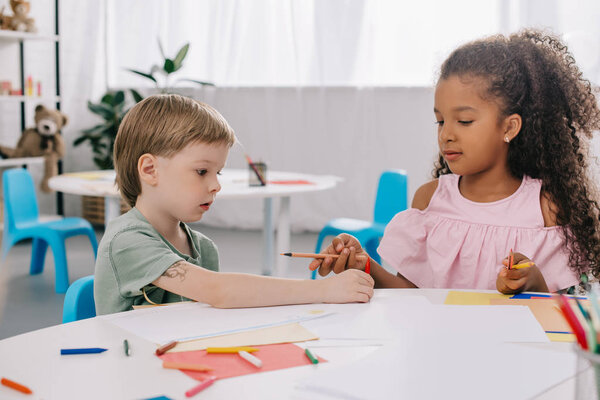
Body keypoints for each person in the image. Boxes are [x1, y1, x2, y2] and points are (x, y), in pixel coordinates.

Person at [310, 29, 600, 294]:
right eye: (440, 121)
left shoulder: (544, 208)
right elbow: (410, 296)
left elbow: (568, 313)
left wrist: (534, 282)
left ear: (509, 127)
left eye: (464, 121)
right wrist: (364, 265)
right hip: (437, 349)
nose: (447, 134)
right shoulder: (429, 201)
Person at [94, 94, 374, 314]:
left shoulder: (203, 248)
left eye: (219, 172)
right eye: (202, 171)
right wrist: (323, 291)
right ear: (150, 170)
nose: (216, 184)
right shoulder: (127, 241)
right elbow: (220, 291)